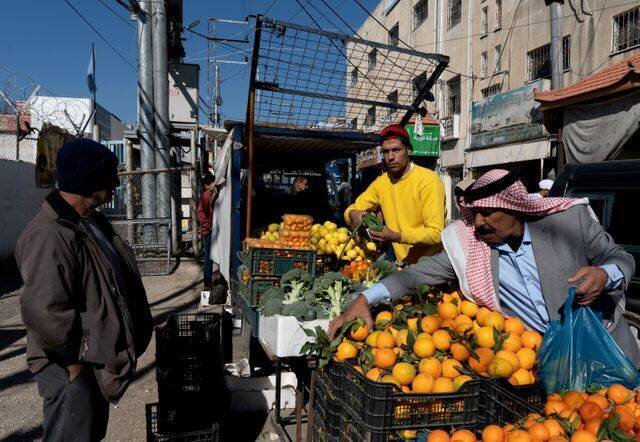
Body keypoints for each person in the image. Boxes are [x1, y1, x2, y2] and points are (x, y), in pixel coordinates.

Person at [330, 168, 640, 364]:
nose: (477, 222)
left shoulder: (569, 223)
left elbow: (621, 258)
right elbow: (415, 275)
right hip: (551, 364)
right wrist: (364, 298)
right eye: (473, 213)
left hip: (610, 350)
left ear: (514, 208)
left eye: (487, 213)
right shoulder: (472, 247)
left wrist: (604, 274)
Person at [16, 138, 153, 441]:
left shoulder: (89, 222)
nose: (116, 184)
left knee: (87, 434)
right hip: (71, 366)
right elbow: (44, 310)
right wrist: (73, 364)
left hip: (91, 360)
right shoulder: (50, 235)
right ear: (89, 182)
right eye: (110, 178)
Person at [344, 124, 446, 264]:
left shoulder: (428, 180)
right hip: (403, 265)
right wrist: (352, 214)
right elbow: (353, 208)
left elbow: (436, 233)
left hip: (432, 265)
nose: (390, 157)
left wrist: (397, 236)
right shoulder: (381, 183)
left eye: (396, 150)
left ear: (408, 150)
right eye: (386, 152)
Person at [197, 171, 216, 290]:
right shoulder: (206, 195)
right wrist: (208, 225)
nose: (215, 184)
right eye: (213, 182)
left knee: (212, 257)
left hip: (212, 230)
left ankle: (209, 282)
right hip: (208, 232)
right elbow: (200, 213)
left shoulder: (213, 194)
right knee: (208, 258)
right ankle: (208, 284)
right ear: (207, 185)